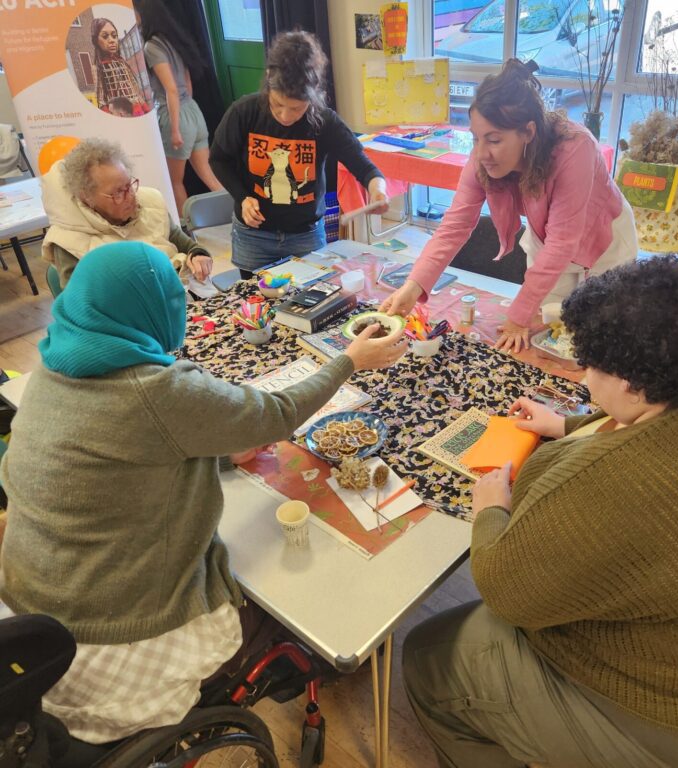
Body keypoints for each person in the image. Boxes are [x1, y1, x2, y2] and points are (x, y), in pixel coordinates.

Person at [0, 241, 406, 743]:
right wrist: (348, 361)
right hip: (112, 635)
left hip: (31, 621)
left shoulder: (54, 365)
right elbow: (277, 414)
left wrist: (218, 454)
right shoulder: (156, 389)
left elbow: (122, 449)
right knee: (281, 582)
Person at [402, 256, 678, 768]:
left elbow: (508, 593)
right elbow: (659, 422)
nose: (583, 373)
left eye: (590, 365)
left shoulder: (611, 485)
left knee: (428, 655)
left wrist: (491, 511)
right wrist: (571, 425)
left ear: (632, 385)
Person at [381, 59, 638, 354]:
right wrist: (413, 286)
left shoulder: (575, 148)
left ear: (528, 132)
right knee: (549, 334)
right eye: (476, 139)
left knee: (600, 335)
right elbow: (454, 225)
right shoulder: (482, 158)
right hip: (549, 240)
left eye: (494, 140)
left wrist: (517, 317)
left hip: (604, 242)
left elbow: (563, 243)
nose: (482, 153)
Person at [210, 30, 388, 281]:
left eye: (296, 108)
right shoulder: (244, 112)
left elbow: (364, 167)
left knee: (310, 298)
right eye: (277, 104)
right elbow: (218, 159)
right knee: (255, 301)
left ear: (312, 94)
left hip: (306, 235)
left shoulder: (325, 122)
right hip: (254, 236)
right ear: (268, 80)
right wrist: (243, 197)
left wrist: (378, 190)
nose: (285, 116)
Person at [41, 137, 214, 294]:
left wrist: (199, 255)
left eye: (129, 185)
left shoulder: (150, 203)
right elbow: (77, 306)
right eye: (117, 193)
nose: (130, 196)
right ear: (86, 197)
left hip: (180, 298)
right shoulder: (67, 241)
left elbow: (188, 246)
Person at [134, 0, 224, 216]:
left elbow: (171, 89)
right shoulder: (174, 41)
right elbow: (187, 82)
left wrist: (175, 129)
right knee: (210, 176)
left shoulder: (151, 47)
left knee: (175, 182)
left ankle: (185, 228)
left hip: (175, 116)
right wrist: (187, 111)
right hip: (193, 110)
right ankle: (234, 213)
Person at [91, 18, 151, 116]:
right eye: (105, 36)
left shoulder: (122, 63)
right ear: (96, 41)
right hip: (118, 113)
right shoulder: (98, 67)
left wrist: (146, 108)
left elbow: (135, 89)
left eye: (114, 36)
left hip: (137, 110)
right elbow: (101, 99)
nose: (111, 40)